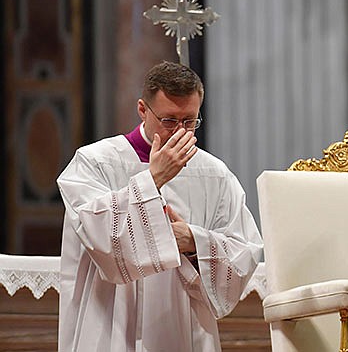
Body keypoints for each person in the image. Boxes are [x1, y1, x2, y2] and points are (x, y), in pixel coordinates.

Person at [57, 61, 263, 352]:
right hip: (112, 325)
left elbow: (245, 250)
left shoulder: (213, 173)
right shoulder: (94, 163)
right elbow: (99, 237)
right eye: (169, 120)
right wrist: (154, 179)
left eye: (189, 121)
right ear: (143, 110)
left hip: (184, 326)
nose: (179, 131)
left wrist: (193, 240)